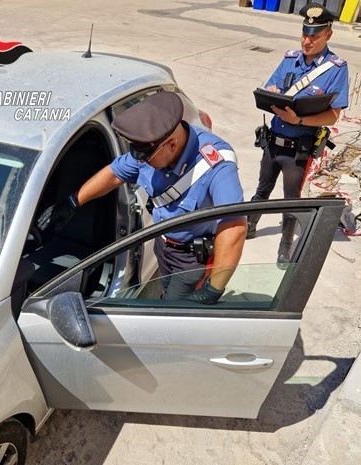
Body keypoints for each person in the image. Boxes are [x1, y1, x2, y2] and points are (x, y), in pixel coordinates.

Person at [37, 91, 247, 304]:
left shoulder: (216, 165)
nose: (141, 161)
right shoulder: (150, 148)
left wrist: (214, 288)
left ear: (172, 145)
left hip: (192, 261)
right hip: (163, 246)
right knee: (166, 293)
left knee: (174, 316)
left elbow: (234, 226)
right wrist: (73, 202)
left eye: (146, 157)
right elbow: (114, 173)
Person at [247, 2, 349, 266]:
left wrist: (300, 118)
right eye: (305, 34)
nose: (307, 41)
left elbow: (333, 115)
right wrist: (272, 91)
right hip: (273, 142)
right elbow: (272, 84)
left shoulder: (336, 69)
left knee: (291, 201)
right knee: (262, 189)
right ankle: (249, 225)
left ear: (328, 34)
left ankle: (285, 246)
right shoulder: (290, 59)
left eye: (314, 36)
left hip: (298, 149)